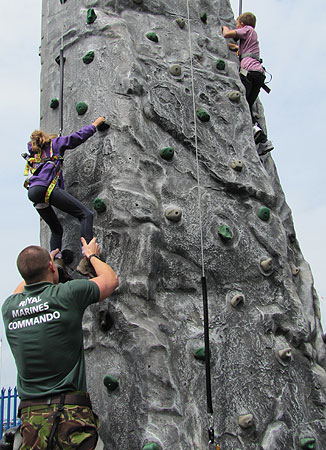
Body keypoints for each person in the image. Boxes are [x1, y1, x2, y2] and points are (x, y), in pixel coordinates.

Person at [1, 237, 119, 449]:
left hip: (31, 421)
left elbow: (24, 284)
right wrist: (91, 255)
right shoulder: (67, 294)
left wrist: (45, 263)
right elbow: (110, 280)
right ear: (50, 266)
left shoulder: (9, 308)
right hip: (70, 416)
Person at [24, 117, 106, 276]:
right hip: (46, 188)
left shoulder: (35, 152)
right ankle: (87, 259)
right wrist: (96, 124)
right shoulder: (55, 144)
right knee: (85, 214)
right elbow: (77, 137)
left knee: (56, 229)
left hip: (34, 192)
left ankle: (57, 263)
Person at [222, 12, 273, 156]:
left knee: (243, 103)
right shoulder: (252, 37)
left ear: (242, 24)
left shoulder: (247, 30)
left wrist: (224, 27)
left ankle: (255, 131)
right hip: (259, 74)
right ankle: (262, 139)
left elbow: (227, 34)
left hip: (249, 73)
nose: (237, 26)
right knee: (248, 105)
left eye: (237, 23)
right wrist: (237, 49)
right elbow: (247, 51)